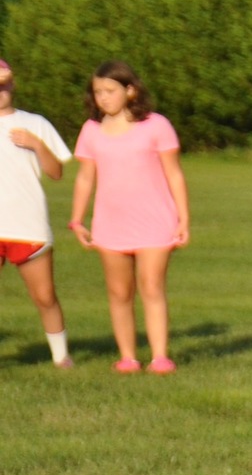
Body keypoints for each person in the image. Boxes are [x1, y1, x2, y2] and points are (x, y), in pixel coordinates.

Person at [67, 61, 187, 374]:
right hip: (110, 224)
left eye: (110, 91)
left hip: (155, 221)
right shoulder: (91, 131)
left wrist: (183, 218)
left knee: (151, 287)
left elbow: (174, 174)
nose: (103, 98)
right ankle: (128, 357)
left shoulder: (156, 125)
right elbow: (84, 179)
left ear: (130, 91)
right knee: (120, 292)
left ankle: (160, 356)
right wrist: (77, 220)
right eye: (97, 92)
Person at [0, 59, 76, 368]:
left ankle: (61, 357)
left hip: (27, 221)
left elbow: (56, 171)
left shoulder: (35, 123)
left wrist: (36, 145)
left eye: (4, 86)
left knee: (45, 295)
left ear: (13, 87)